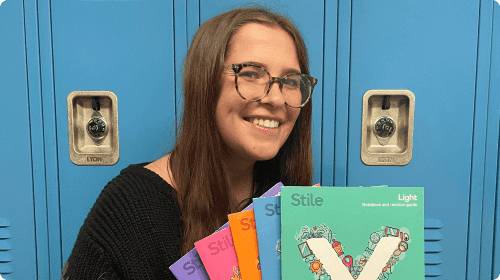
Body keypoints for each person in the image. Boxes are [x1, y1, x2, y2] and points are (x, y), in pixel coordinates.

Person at [61, 6, 317, 279]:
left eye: (291, 80)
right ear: (204, 83)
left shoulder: (291, 201)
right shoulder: (131, 207)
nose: (277, 99)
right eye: (251, 74)